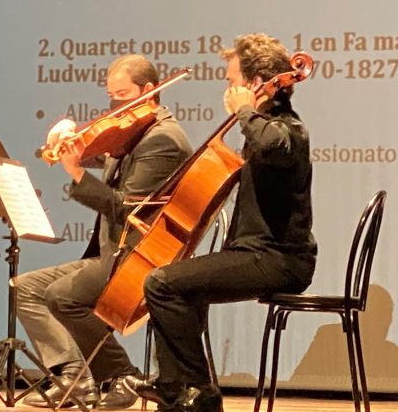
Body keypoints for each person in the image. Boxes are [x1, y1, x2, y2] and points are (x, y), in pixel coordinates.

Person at [127, 33, 318, 412]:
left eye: (232, 81)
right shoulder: (263, 127)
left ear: (255, 83)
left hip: (281, 259)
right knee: (177, 283)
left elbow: (271, 147)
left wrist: (245, 110)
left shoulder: (288, 130)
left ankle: (199, 391)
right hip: (253, 253)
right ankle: (175, 389)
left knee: (162, 283)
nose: (227, 90)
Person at [14, 54, 193, 409]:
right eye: (111, 96)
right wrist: (69, 136)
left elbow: (125, 209)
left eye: (123, 95)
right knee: (26, 289)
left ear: (150, 90)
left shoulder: (163, 139)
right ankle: (76, 378)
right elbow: (101, 153)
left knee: (62, 296)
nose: (114, 105)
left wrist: (76, 174)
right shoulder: (131, 131)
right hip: (112, 253)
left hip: (137, 258)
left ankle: (123, 375)